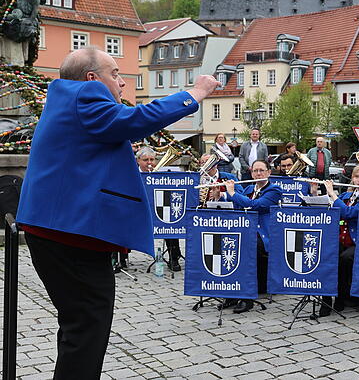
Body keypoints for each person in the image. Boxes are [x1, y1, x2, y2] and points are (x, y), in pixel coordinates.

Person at [17, 47, 219, 379]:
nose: (122, 82)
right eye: (114, 74)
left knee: (79, 326)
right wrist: (194, 94)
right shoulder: (85, 95)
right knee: (87, 329)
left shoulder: (66, 99)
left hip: (60, 230)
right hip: (69, 235)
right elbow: (135, 120)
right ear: (92, 78)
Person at [225, 160, 283, 313]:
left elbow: (255, 205)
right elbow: (238, 206)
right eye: (255, 171)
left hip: (265, 236)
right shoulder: (249, 188)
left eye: (261, 170)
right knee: (227, 243)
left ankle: (247, 298)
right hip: (247, 231)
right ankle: (231, 293)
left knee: (247, 248)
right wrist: (221, 196)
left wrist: (233, 193)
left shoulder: (274, 190)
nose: (258, 173)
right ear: (251, 173)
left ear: (269, 172)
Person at [322, 164, 359, 315]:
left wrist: (332, 193)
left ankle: (340, 298)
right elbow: (332, 210)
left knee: (344, 259)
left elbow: (349, 213)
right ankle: (326, 300)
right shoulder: (346, 195)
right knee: (326, 254)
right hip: (340, 239)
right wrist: (316, 192)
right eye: (356, 177)